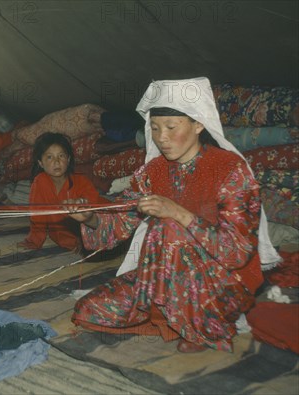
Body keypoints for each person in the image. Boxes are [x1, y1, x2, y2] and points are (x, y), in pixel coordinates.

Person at [68, 77, 280, 353]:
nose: (161, 137)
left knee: (169, 227)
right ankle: (167, 311)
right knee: (87, 310)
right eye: (154, 128)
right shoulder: (154, 171)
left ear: (198, 124)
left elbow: (237, 252)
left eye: (171, 127)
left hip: (221, 281)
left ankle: (202, 322)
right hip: (159, 275)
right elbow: (121, 217)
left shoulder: (230, 170)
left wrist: (180, 214)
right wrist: (91, 218)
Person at [17, 132, 108, 252]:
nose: (56, 162)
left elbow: (92, 211)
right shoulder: (40, 182)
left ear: (68, 159)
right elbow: (37, 215)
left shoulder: (81, 181)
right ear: (40, 163)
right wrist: (35, 240)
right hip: (65, 237)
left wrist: (84, 239)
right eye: (49, 157)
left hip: (101, 219)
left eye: (61, 156)